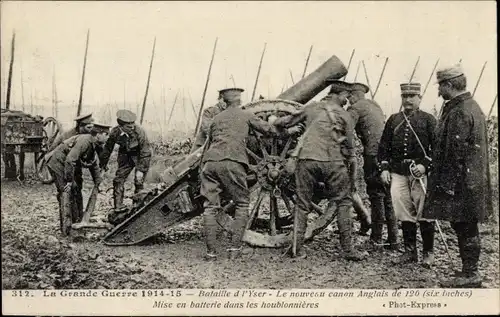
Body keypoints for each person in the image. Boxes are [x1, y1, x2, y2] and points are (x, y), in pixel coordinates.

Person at [273, 80, 366, 261]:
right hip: (333, 163)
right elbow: (349, 149)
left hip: (307, 161)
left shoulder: (311, 108)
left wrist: (274, 120)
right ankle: (348, 250)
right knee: (343, 203)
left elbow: (286, 121)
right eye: (346, 96)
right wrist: (351, 174)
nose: (347, 100)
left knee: (301, 205)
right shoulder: (344, 116)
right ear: (338, 95)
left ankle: (296, 249)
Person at [424, 65, 493, 288]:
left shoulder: (460, 111)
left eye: (441, 86)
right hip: (470, 182)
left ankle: (470, 274)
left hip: (461, 184)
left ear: (450, 85)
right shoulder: (470, 106)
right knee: (466, 225)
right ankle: (468, 270)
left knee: (465, 226)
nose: (439, 92)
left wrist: (446, 185)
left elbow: (455, 152)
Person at [200, 88, 287, 261]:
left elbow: (209, 142)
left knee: (210, 207)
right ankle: (234, 250)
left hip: (210, 164)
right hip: (232, 162)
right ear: (239, 101)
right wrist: (287, 130)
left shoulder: (216, 118)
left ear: (224, 102)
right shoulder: (246, 115)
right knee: (241, 203)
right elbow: (269, 130)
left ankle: (211, 253)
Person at [378, 83, 437, 267]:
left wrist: (425, 166)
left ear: (419, 98)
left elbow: (437, 149)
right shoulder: (394, 120)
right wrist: (385, 168)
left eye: (412, 96)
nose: (408, 100)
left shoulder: (428, 120)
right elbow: (383, 147)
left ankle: (428, 253)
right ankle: (410, 252)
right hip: (398, 173)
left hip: (419, 174)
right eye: (405, 96)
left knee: (425, 212)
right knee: (403, 212)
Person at [346, 82, 398, 249]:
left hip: (372, 155)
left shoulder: (356, 108)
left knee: (376, 195)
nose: (348, 100)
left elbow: (346, 130)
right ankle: (393, 240)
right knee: (388, 197)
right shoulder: (374, 105)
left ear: (354, 95)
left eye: (349, 97)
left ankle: (376, 238)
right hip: (387, 155)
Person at [46, 128, 105, 234]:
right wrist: (69, 181)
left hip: (67, 164)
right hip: (57, 162)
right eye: (106, 134)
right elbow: (70, 160)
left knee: (76, 189)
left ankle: (77, 222)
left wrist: (98, 181)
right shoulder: (85, 141)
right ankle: (66, 228)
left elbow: (93, 163)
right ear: (98, 135)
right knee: (66, 191)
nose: (107, 136)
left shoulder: (95, 144)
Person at [99, 110, 152, 213]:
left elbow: (145, 151)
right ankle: (118, 207)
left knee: (138, 181)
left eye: (133, 124)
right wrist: (102, 165)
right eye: (128, 126)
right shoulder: (115, 132)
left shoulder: (140, 132)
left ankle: (138, 207)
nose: (132, 127)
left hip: (140, 156)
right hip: (125, 156)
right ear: (121, 125)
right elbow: (107, 149)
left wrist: (141, 170)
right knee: (118, 180)